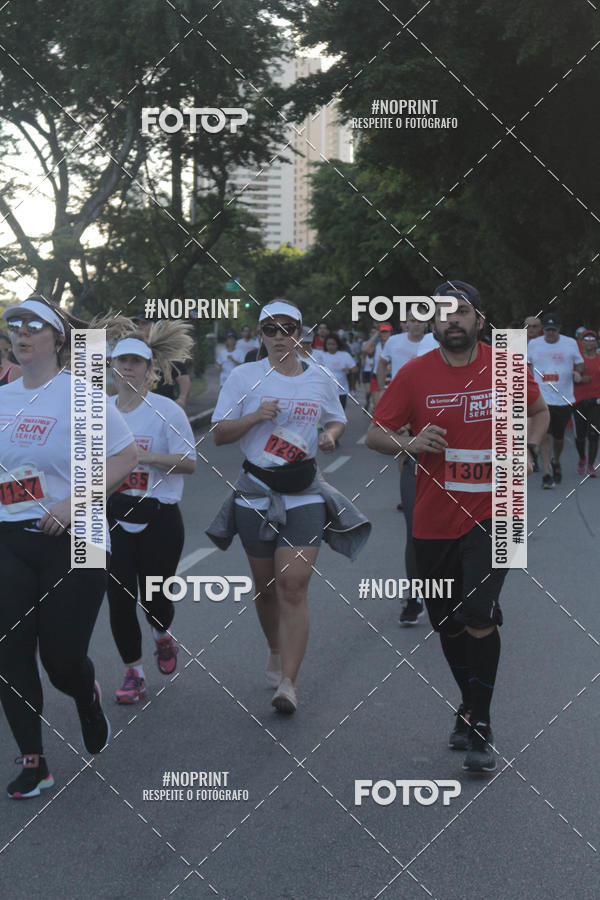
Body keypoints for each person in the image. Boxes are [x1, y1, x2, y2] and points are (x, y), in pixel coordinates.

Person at [366, 281, 549, 772]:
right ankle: (469, 704)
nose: (452, 319)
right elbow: (374, 434)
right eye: (444, 312)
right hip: (434, 518)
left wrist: (529, 448)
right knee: (445, 622)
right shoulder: (413, 374)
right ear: (432, 321)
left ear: (479, 320)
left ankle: (482, 724)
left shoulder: (507, 367)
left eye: (462, 311)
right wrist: (408, 443)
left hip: (501, 510)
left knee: (478, 611)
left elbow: (538, 412)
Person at [0, 295, 138, 799]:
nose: (21, 332)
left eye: (34, 325)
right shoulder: (1, 399)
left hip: (76, 540)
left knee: (61, 660)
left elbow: (125, 457)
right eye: (14, 324)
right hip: (9, 540)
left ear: (58, 339)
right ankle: (34, 761)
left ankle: (85, 694)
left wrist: (75, 503)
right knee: (9, 653)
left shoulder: (80, 396)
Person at [207, 301, 370, 714]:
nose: (280, 336)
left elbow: (337, 419)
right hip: (256, 491)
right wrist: (254, 418)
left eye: (288, 328)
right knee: (265, 589)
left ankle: (289, 684)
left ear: (301, 333)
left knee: (293, 586)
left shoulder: (320, 377)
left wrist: (330, 435)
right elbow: (219, 434)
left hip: (304, 491)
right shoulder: (244, 376)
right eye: (270, 329)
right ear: (261, 335)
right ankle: (275, 649)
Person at [106, 324, 196, 703]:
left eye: (136, 361)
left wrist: (142, 457)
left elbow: (189, 464)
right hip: (112, 516)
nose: (128, 367)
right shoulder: (99, 412)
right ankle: (134, 672)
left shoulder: (166, 411)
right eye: (122, 360)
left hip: (159, 516)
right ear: (111, 365)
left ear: (148, 368)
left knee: (155, 599)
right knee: (118, 597)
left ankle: (162, 634)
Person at [527, 313, 584, 488]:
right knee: (544, 435)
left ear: (559, 329)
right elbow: (527, 364)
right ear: (543, 330)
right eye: (547, 330)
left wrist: (577, 373)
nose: (550, 333)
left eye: (554, 329)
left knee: (558, 438)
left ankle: (556, 461)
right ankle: (546, 473)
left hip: (563, 397)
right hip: (542, 398)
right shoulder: (534, 344)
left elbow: (580, 363)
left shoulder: (570, 343)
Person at [573, 330, 600, 477]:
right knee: (580, 435)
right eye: (586, 339)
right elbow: (567, 377)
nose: (589, 342)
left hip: (596, 402)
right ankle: (582, 458)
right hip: (578, 401)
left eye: (592, 339)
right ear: (581, 343)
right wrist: (578, 378)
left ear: (596, 343)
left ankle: (590, 465)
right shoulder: (577, 360)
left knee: (594, 433)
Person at [321, 332, 357, 410]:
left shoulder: (345, 355)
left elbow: (355, 369)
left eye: (333, 344)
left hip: (341, 392)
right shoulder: (321, 355)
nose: (330, 346)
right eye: (328, 344)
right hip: (325, 392)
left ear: (337, 344)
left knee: (340, 417)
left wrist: (349, 371)